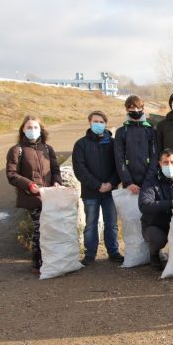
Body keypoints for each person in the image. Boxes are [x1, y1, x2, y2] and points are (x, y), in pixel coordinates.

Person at [6, 115, 62, 274]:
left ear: (41, 129)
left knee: (50, 228)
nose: (32, 130)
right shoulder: (17, 150)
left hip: (50, 196)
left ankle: (51, 260)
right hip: (32, 197)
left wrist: (57, 181)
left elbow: (55, 170)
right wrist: (29, 185)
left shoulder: (47, 148)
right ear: (23, 129)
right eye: (29, 127)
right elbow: (11, 174)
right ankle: (37, 263)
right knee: (39, 229)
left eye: (35, 127)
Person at [72, 111, 124, 266]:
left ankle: (113, 252)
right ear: (89, 122)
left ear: (106, 123)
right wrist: (97, 185)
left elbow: (120, 166)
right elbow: (80, 169)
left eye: (101, 122)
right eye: (96, 121)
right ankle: (90, 253)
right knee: (91, 224)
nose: (98, 124)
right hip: (90, 192)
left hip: (110, 191)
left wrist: (111, 183)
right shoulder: (81, 144)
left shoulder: (114, 143)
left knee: (111, 224)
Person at [114, 95, 158, 194]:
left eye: (138, 107)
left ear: (143, 109)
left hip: (149, 181)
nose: (136, 110)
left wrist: (148, 180)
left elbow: (155, 156)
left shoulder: (150, 130)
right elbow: (119, 158)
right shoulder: (121, 132)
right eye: (132, 107)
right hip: (129, 184)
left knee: (149, 208)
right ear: (127, 109)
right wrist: (128, 182)